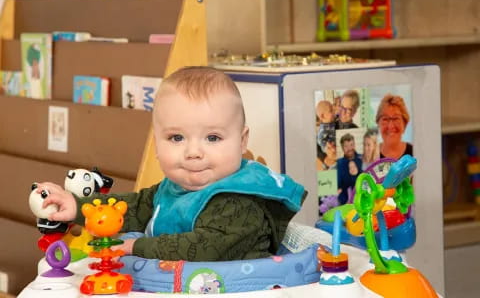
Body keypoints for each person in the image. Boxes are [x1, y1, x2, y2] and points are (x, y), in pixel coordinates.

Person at [36, 66, 306, 261]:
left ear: (242, 141)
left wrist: (136, 247)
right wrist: (78, 206)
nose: (193, 152)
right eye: (176, 137)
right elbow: (131, 208)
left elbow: (207, 248)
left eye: (212, 137)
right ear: (156, 146)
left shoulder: (240, 201)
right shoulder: (172, 189)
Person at [376, 94, 413, 160]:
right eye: (385, 119)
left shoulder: (414, 152)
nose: (390, 126)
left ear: (404, 123)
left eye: (396, 118)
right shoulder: (370, 155)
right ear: (378, 123)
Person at [336, 133, 362, 205]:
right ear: (342, 148)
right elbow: (338, 186)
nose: (350, 148)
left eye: (351, 145)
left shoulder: (363, 159)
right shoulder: (339, 164)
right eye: (346, 146)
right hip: (345, 203)